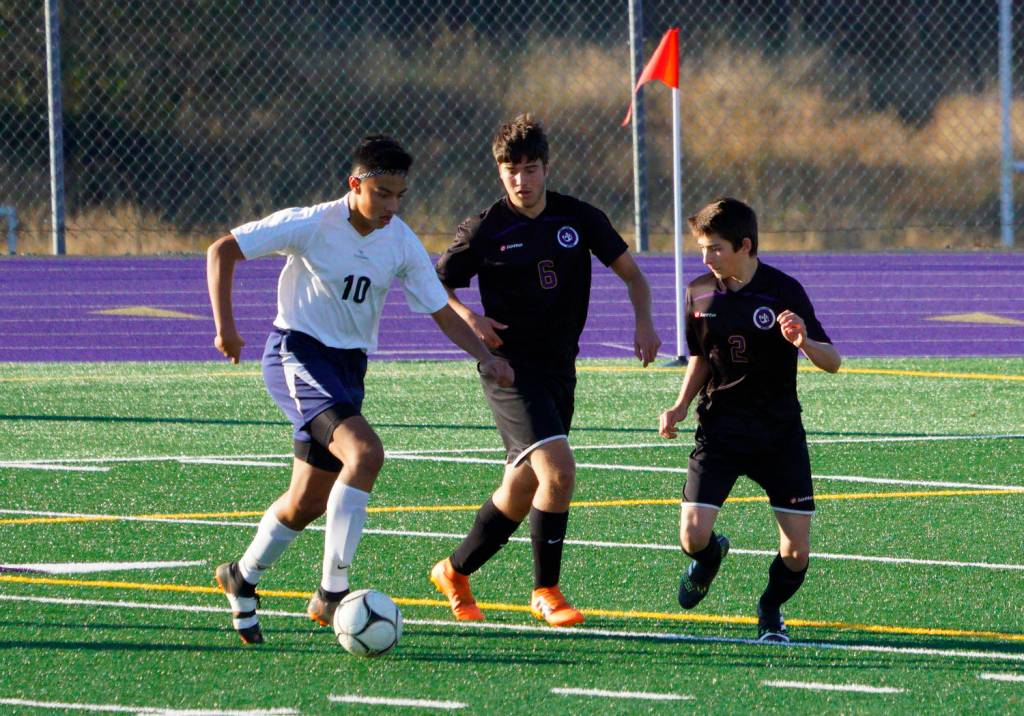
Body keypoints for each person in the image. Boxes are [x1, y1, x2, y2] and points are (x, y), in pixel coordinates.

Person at [206, 135, 513, 644]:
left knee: (305, 502)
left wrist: (486, 357)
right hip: (298, 353)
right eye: (382, 194)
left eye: (400, 196)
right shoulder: (312, 223)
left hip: (349, 367)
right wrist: (226, 328)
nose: (392, 206)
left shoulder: (400, 241)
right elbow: (222, 251)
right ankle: (332, 592)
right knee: (366, 453)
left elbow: (440, 310)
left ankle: (242, 576)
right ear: (356, 184)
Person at [429, 114, 661, 627]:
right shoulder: (485, 229)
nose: (522, 180)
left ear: (546, 168)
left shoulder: (578, 219)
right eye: (511, 170)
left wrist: (644, 321)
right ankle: (546, 591)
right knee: (558, 472)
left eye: (530, 169)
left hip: (560, 368)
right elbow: (432, 286)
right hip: (509, 371)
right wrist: (469, 315)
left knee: (522, 488)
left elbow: (633, 276)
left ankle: (454, 569)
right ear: (499, 172)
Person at [657, 197, 841, 642]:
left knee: (796, 553)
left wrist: (803, 343)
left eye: (715, 248)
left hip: (777, 435)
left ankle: (770, 607)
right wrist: (679, 406)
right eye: (702, 247)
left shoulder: (784, 292)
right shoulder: (698, 292)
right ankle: (709, 558)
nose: (706, 258)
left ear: (745, 245)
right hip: (719, 430)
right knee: (692, 536)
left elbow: (833, 361)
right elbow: (700, 357)